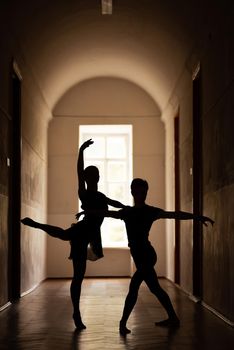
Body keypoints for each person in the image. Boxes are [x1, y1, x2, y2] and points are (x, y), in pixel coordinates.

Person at [81, 178, 214, 335]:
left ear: (146, 193)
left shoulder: (150, 211)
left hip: (147, 255)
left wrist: (197, 217)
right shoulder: (127, 212)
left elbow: (174, 214)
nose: (140, 194)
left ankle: (122, 323)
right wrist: (87, 212)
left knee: (134, 287)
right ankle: (173, 317)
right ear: (132, 192)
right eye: (137, 191)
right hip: (139, 256)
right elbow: (108, 213)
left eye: (143, 192)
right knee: (155, 288)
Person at [21, 139, 125, 330]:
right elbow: (79, 172)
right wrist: (80, 151)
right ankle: (76, 312)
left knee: (77, 272)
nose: (96, 178)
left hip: (91, 234)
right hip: (83, 231)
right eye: (93, 175)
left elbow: (115, 203)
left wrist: (128, 208)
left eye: (97, 175)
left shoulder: (101, 196)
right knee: (73, 264)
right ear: (89, 179)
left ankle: (76, 311)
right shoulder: (84, 194)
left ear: (98, 178)